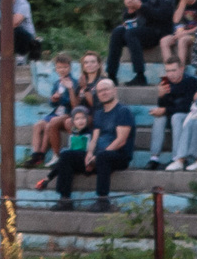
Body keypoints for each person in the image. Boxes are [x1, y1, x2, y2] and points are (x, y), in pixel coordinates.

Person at [49, 76, 135, 208]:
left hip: (118, 155)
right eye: (100, 91)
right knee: (66, 155)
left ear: (114, 90)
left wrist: (97, 156)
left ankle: (103, 200)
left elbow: (121, 140)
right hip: (98, 155)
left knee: (103, 157)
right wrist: (89, 154)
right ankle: (65, 199)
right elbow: (94, 138)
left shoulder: (123, 111)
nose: (103, 93)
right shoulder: (99, 114)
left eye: (106, 89)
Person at [106, 0, 177, 86]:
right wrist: (130, 9)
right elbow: (127, 16)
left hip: (159, 31)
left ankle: (140, 75)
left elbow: (164, 15)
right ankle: (111, 75)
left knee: (131, 34)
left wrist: (141, 7)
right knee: (117, 32)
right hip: (141, 28)